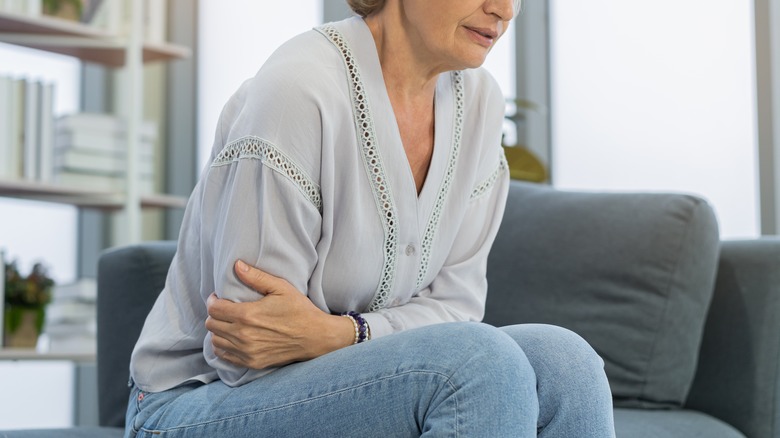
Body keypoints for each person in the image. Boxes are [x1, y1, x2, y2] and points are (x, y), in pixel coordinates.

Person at [125, 0, 616, 436]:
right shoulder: (300, 89)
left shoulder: (481, 104)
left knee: (566, 362)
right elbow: (249, 351)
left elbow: (457, 308)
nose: (505, 10)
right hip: (191, 406)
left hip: (321, 381)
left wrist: (339, 332)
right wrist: (389, 339)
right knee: (479, 364)